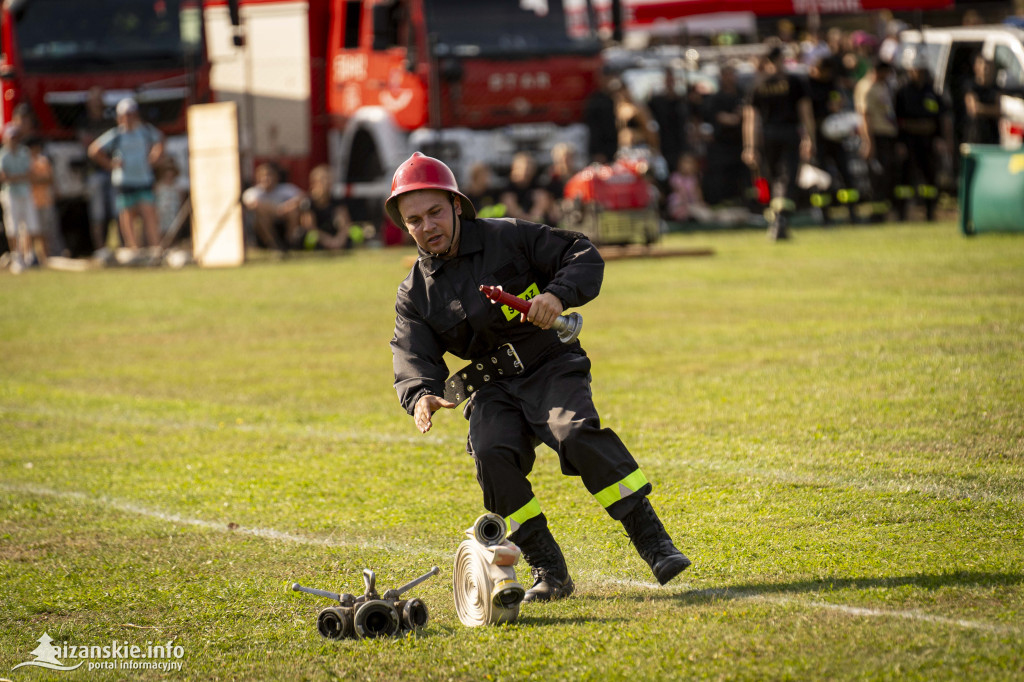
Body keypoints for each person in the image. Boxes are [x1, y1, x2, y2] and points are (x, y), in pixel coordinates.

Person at [388, 152, 691, 601]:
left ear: (457, 206)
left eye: (435, 212)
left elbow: (582, 253)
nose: (427, 226)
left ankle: (654, 542)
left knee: (574, 434)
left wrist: (557, 293)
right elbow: (412, 353)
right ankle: (548, 569)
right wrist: (421, 396)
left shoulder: (508, 235)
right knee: (491, 455)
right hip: (491, 387)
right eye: (414, 220)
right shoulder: (415, 292)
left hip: (551, 363)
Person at [743, 46, 816, 240]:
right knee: (787, 177)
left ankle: (775, 221)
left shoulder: (757, 84)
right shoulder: (794, 82)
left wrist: (749, 147)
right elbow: (806, 114)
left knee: (772, 178)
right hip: (789, 133)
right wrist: (809, 138)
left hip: (767, 136)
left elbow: (750, 120)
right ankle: (780, 222)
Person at [88, 97, 164, 249]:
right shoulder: (116, 134)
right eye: (125, 114)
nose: (129, 118)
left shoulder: (145, 131)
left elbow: (160, 141)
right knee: (127, 215)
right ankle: (133, 249)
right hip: (125, 181)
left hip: (143, 179)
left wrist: (155, 157)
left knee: (148, 213)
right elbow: (94, 150)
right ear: (119, 117)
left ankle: (155, 247)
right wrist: (110, 164)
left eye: (131, 114)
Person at [894, 57, 950, 222]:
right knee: (905, 179)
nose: (919, 73)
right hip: (909, 140)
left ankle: (930, 211)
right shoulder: (902, 92)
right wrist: (900, 142)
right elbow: (897, 120)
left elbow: (940, 117)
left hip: (928, 141)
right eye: (916, 69)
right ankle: (902, 213)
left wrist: (940, 139)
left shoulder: (931, 91)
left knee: (930, 178)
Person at [854, 60, 899, 222]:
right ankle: (876, 215)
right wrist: (868, 143)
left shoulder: (882, 85)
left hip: (888, 135)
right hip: (876, 136)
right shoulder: (867, 88)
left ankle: (886, 212)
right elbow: (865, 117)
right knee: (877, 176)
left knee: (888, 174)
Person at [76, 87, 116, 252]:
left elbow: (115, 142)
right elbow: (90, 145)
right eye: (94, 100)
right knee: (97, 212)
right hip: (94, 172)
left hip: (112, 171)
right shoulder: (84, 122)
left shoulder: (109, 121)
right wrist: (107, 160)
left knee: (116, 211)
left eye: (99, 99)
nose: (97, 103)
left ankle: (117, 246)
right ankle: (100, 249)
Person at [702, 63, 748, 206]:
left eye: (732, 74)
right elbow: (723, 118)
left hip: (742, 143)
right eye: (727, 75)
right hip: (722, 145)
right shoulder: (715, 98)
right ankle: (722, 203)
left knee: (745, 176)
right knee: (722, 176)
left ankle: (748, 203)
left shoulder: (743, 94)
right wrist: (737, 118)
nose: (730, 78)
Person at [0, 125, 44, 272]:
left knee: (30, 225)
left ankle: (29, 256)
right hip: (10, 194)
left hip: (25, 193)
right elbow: (3, 178)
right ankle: (16, 257)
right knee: (13, 227)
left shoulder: (24, 152)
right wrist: (19, 177)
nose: (14, 141)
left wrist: (13, 177)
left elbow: (29, 174)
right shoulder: (3, 155)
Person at [241, 162, 304, 254]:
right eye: (263, 175)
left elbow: (302, 197)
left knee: (294, 212)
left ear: (276, 177)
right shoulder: (253, 192)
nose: (266, 178)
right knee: (261, 216)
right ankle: (274, 246)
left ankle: (290, 243)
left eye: (269, 175)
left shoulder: (286, 189)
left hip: (284, 221)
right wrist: (276, 210)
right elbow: (252, 204)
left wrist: (285, 208)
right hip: (262, 226)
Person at [27, 137, 67, 257]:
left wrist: (36, 179)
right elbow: (28, 179)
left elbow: (50, 178)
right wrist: (39, 180)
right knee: (34, 231)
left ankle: (55, 253)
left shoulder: (43, 160)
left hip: (46, 200)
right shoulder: (26, 162)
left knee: (51, 229)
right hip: (31, 201)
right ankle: (36, 256)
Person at [298, 164, 351, 251]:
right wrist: (329, 242)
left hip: (334, 236)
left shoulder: (337, 201)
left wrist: (338, 241)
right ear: (314, 182)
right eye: (324, 180)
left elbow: (345, 224)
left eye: (329, 179)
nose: (328, 183)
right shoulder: (307, 202)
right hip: (318, 238)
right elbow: (310, 227)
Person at [964, 55, 1002, 145]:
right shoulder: (970, 86)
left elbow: (998, 111)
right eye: (981, 65)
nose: (985, 69)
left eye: (987, 66)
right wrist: (991, 110)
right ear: (975, 68)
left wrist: (982, 108)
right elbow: (973, 109)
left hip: (992, 137)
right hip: (975, 136)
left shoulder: (995, 88)